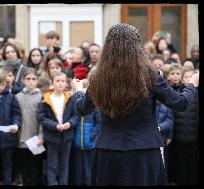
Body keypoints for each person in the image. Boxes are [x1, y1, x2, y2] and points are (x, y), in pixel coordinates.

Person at [71, 23, 199, 186]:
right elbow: (181, 103)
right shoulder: (150, 75)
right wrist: (192, 84)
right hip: (144, 151)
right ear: (137, 46)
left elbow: (82, 108)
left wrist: (78, 91)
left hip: (109, 151)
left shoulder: (98, 77)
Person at [38, 72, 79, 185]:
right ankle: (51, 183)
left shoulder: (70, 98)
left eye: (63, 81)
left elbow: (76, 116)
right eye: (57, 81)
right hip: (52, 136)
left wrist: (69, 124)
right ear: (52, 82)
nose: (60, 83)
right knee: (52, 164)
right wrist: (55, 125)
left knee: (64, 164)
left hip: (67, 136)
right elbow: (42, 118)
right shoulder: (46, 98)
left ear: (66, 83)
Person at [167, 67, 199, 185]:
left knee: (193, 165)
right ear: (182, 79)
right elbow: (172, 117)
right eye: (187, 77)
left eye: (192, 77)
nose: (190, 80)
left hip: (194, 138)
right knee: (180, 164)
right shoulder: (177, 95)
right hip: (179, 138)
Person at [15, 68, 44, 186]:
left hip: (35, 138)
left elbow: (43, 119)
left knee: (35, 167)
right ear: (23, 80)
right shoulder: (18, 96)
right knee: (23, 167)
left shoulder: (41, 97)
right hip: (21, 138)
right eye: (28, 79)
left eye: (34, 79)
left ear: (37, 81)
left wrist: (41, 136)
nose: (31, 81)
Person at [72, 78, 101, 186]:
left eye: (85, 87)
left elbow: (98, 124)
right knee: (78, 171)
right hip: (77, 144)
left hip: (90, 144)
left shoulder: (95, 106)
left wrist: (92, 136)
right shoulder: (76, 104)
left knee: (89, 171)